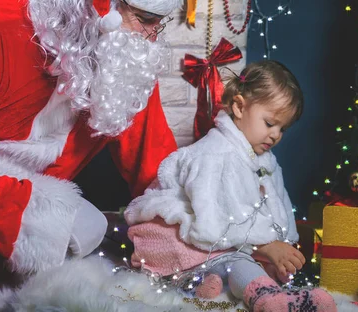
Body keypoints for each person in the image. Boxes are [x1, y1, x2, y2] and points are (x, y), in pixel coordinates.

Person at [0, 0, 188, 295]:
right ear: (101, 0)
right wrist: (36, 212)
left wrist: (190, 232)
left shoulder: (125, 53)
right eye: (144, 19)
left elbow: (152, 160)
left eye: (160, 22)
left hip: (46, 231)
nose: (151, 37)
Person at [124, 61, 337, 312]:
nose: (276, 135)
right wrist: (265, 246)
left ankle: (198, 283)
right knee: (236, 260)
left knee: (246, 262)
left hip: (216, 243)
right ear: (238, 106)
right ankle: (269, 299)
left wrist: (280, 247)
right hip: (168, 236)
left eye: (283, 129)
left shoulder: (265, 162)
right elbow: (212, 224)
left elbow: (275, 209)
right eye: (270, 123)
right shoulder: (215, 154)